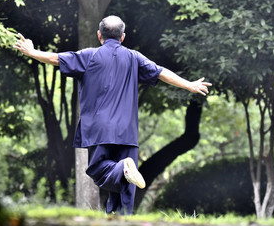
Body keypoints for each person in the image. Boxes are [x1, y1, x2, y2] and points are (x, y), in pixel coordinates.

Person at [14, 15, 211, 214]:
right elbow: (160, 72)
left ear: (99, 35)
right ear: (122, 37)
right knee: (127, 183)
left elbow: (56, 59)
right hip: (127, 131)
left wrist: (31, 52)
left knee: (100, 170)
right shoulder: (134, 57)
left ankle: (121, 169)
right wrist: (189, 84)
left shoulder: (89, 55)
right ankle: (120, 219)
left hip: (99, 129)